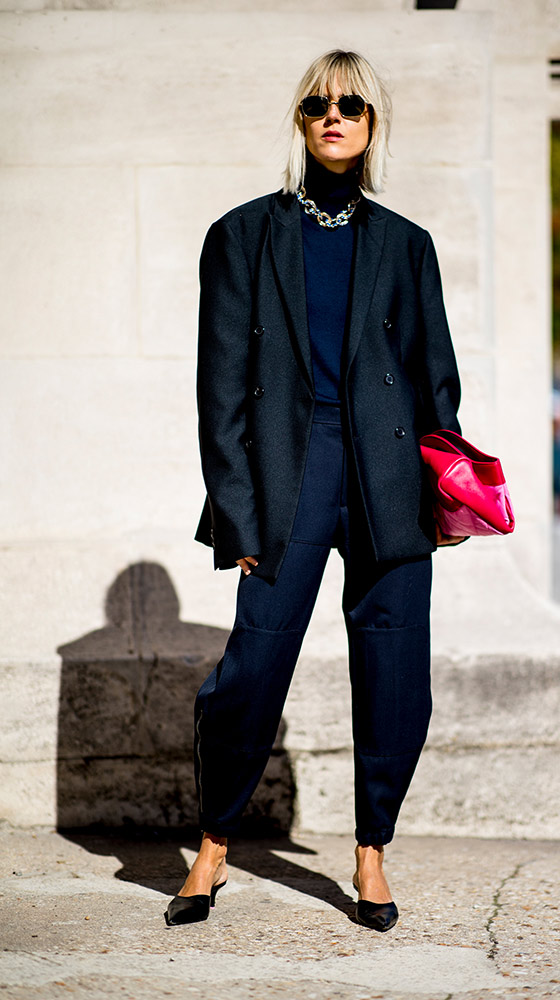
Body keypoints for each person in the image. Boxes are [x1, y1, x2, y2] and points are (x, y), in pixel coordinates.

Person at [164, 49, 467, 932]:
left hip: (390, 478)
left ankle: (371, 852)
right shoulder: (241, 234)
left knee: (396, 672)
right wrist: (238, 511)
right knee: (252, 668)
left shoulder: (407, 245)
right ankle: (214, 845)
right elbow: (217, 391)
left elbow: (433, 382)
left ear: (372, 124)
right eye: (316, 105)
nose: (333, 116)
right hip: (288, 474)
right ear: (299, 121)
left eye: (352, 105)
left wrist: (441, 495)